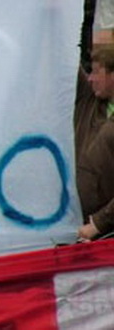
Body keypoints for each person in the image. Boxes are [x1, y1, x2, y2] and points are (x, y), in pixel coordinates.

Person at [75, 47, 114, 241]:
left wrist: (98, 223)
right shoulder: (88, 100)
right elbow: (63, 61)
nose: (90, 78)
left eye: (97, 72)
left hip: (105, 236)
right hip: (81, 229)